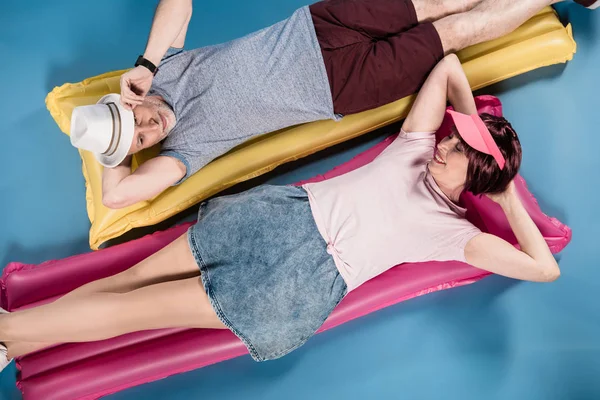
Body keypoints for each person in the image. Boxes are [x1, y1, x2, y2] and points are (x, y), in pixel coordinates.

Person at [1, 54, 561, 371]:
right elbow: (449, 67)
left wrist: (506, 191)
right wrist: (479, 134)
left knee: (133, 311)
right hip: (271, 220)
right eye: (455, 138)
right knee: (126, 283)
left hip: (293, 286)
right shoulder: (415, 147)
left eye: (461, 152)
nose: (446, 144)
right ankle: (8, 343)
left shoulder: (453, 234)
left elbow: (544, 269)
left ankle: (4, 333)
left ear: (477, 180)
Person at [68, 0, 593, 209]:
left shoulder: (167, 69)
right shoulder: (183, 151)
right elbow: (117, 198)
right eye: (139, 144)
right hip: (343, 88)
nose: (149, 132)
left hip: (319, 24)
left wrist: (146, 64)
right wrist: (109, 149)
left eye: (135, 124)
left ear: (127, 101)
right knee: (454, 31)